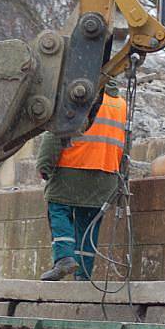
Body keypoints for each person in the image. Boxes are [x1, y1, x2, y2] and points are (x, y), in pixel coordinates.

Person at [36, 79, 127, 281]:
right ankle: (83, 275)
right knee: (89, 224)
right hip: (106, 174)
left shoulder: (77, 92)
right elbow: (125, 140)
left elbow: (57, 132)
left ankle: (64, 258)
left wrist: (44, 165)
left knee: (59, 209)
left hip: (72, 167)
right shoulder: (119, 102)